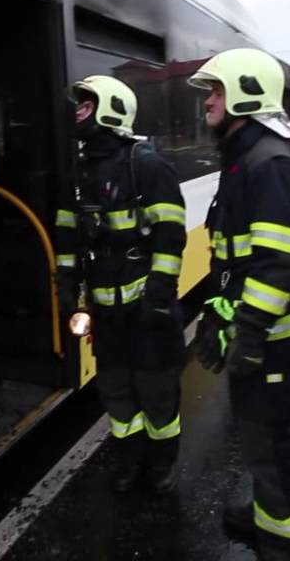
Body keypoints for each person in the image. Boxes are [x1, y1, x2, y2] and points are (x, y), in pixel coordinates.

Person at [187, 48, 290, 561]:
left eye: (216, 93)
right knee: (273, 435)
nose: (208, 104)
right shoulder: (246, 156)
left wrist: (251, 332)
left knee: (264, 439)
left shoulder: (270, 162)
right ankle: (280, 507)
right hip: (258, 329)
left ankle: (281, 542)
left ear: (246, 93)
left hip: (271, 337)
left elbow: (277, 265)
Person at [55, 75, 187, 494]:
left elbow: (171, 237)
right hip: (104, 311)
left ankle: (161, 466)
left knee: (157, 395)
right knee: (115, 393)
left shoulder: (145, 164)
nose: (78, 108)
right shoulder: (77, 171)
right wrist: (66, 283)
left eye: (87, 101)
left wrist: (159, 297)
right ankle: (130, 462)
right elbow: (67, 235)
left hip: (147, 313)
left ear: (110, 108)